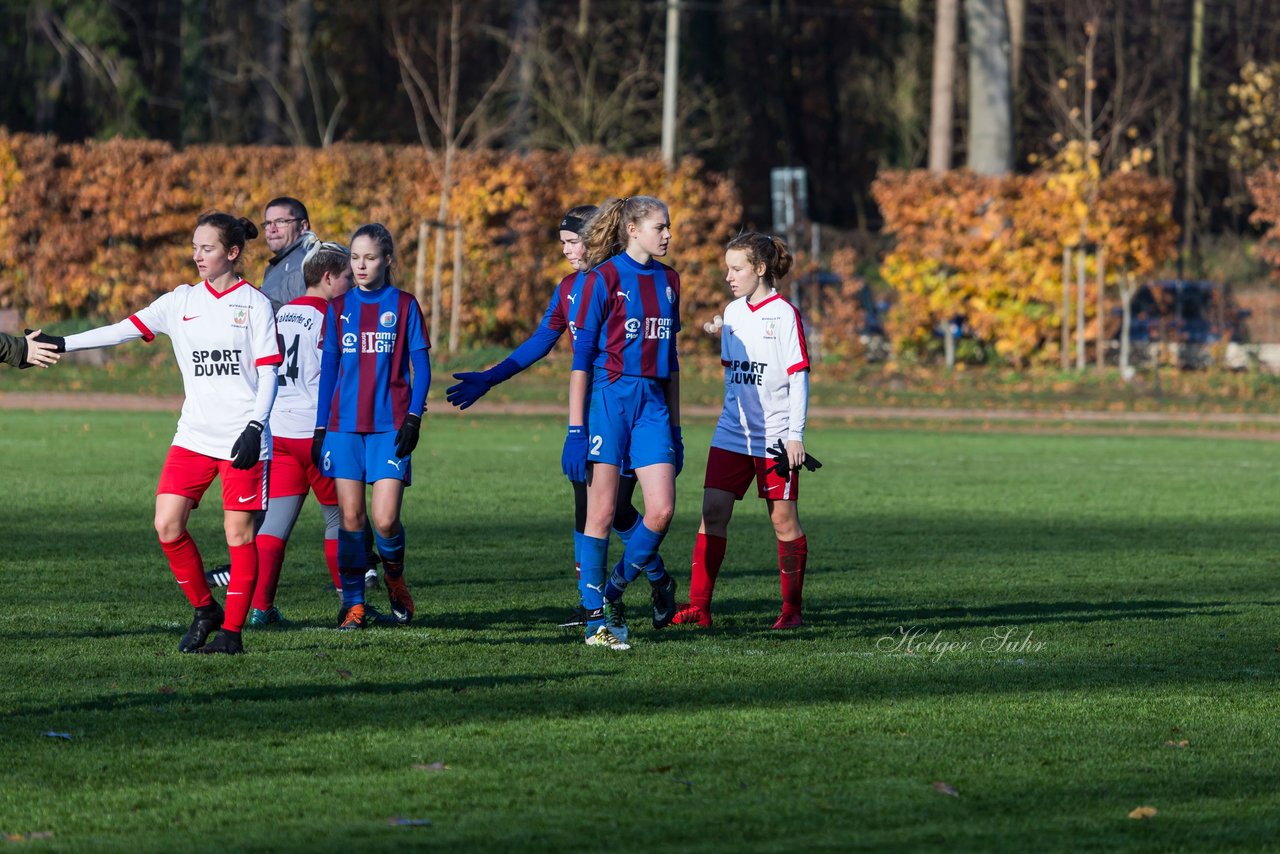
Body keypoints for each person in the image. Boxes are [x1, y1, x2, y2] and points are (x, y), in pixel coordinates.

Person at [31, 212, 281, 654]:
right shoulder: (180, 301)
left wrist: (255, 426)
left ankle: (231, 635)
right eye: (194, 247)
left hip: (245, 437)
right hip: (195, 437)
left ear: (233, 252)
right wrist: (62, 342)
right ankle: (206, 610)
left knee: (239, 536)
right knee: (166, 525)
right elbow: (121, 330)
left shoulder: (255, 305)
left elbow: (269, 375)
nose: (197, 255)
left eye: (207, 248)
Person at [445, 206, 674, 630]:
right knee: (590, 506)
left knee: (618, 508)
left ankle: (642, 584)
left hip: (626, 406)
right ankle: (598, 602)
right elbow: (541, 341)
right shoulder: (569, 287)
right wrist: (491, 377)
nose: (568, 252)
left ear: (598, 238)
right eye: (564, 244)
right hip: (592, 410)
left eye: (574, 242)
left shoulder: (619, 278)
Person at [671, 232, 811, 630]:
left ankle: (792, 611)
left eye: (737, 269)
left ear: (761, 269)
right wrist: (722, 326)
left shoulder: (785, 315)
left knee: (783, 522)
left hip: (775, 438)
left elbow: (798, 377)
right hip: (732, 433)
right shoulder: (733, 312)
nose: (729, 277)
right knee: (712, 513)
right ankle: (699, 609)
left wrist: (795, 435)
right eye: (727, 269)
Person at [566, 196, 682, 651]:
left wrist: (675, 426)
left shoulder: (670, 280)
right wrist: (577, 430)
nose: (668, 234)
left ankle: (612, 593)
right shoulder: (604, 279)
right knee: (601, 513)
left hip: (652, 405)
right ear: (633, 229)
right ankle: (596, 618)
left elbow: (671, 360)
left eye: (669, 226)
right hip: (609, 401)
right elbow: (581, 359)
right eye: (660, 226)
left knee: (662, 509)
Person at [313, 223, 430, 630]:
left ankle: (395, 577)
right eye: (356, 258)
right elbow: (328, 370)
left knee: (384, 520)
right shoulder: (338, 308)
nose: (361, 265)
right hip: (344, 429)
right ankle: (355, 605)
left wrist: (414, 417)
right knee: (351, 518)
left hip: (389, 429)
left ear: (387, 261)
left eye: (370, 258)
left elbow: (423, 368)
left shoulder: (404, 305)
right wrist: (319, 429)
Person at [246, 237, 353, 626]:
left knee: (274, 523)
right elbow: (340, 374)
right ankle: (351, 606)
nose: (351, 286)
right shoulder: (332, 317)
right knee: (339, 519)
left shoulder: (281, 314)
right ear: (327, 277)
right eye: (346, 277)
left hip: (280, 430)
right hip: (317, 431)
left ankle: (260, 609)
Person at [260, 197, 312, 312]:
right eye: (268, 223)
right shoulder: (275, 266)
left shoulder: (309, 261)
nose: (272, 229)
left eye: (280, 222)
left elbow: (303, 315)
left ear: (302, 226)